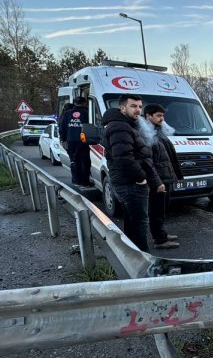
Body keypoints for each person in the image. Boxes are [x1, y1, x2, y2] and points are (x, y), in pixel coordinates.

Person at [101, 94, 164, 252]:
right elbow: (124, 158)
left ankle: (132, 255)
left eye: (139, 106)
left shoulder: (126, 125)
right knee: (139, 222)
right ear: (122, 108)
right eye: (133, 106)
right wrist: (141, 178)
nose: (138, 110)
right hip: (130, 183)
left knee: (132, 221)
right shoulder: (119, 126)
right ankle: (143, 260)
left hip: (129, 181)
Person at [143, 104, 184, 250]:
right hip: (158, 180)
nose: (162, 119)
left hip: (165, 177)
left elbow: (168, 156)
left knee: (162, 208)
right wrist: (157, 181)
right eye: (158, 116)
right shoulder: (145, 133)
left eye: (163, 116)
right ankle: (159, 240)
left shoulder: (158, 131)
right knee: (156, 210)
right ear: (148, 116)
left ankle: (162, 233)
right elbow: (148, 161)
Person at [59, 97, 90, 187]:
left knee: (74, 160)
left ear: (75, 103)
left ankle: (76, 180)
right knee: (85, 161)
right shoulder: (87, 113)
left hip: (70, 140)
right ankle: (85, 182)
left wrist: (63, 139)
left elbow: (62, 127)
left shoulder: (67, 113)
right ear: (84, 103)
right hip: (83, 141)